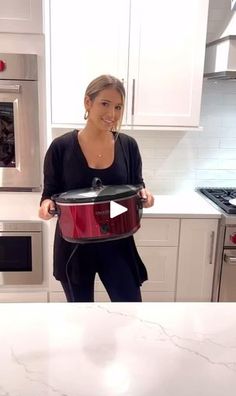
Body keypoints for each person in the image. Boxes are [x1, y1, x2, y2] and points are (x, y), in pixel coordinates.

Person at [39, 74, 154, 302]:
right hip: (74, 245)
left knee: (131, 310)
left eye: (118, 107)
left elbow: (137, 186)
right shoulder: (61, 147)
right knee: (83, 317)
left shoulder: (128, 146)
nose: (112, 114)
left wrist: (145, 196)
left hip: (118, 243)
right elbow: (48, 195)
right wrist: (46, 206)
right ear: (87, 103)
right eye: (105, 104)